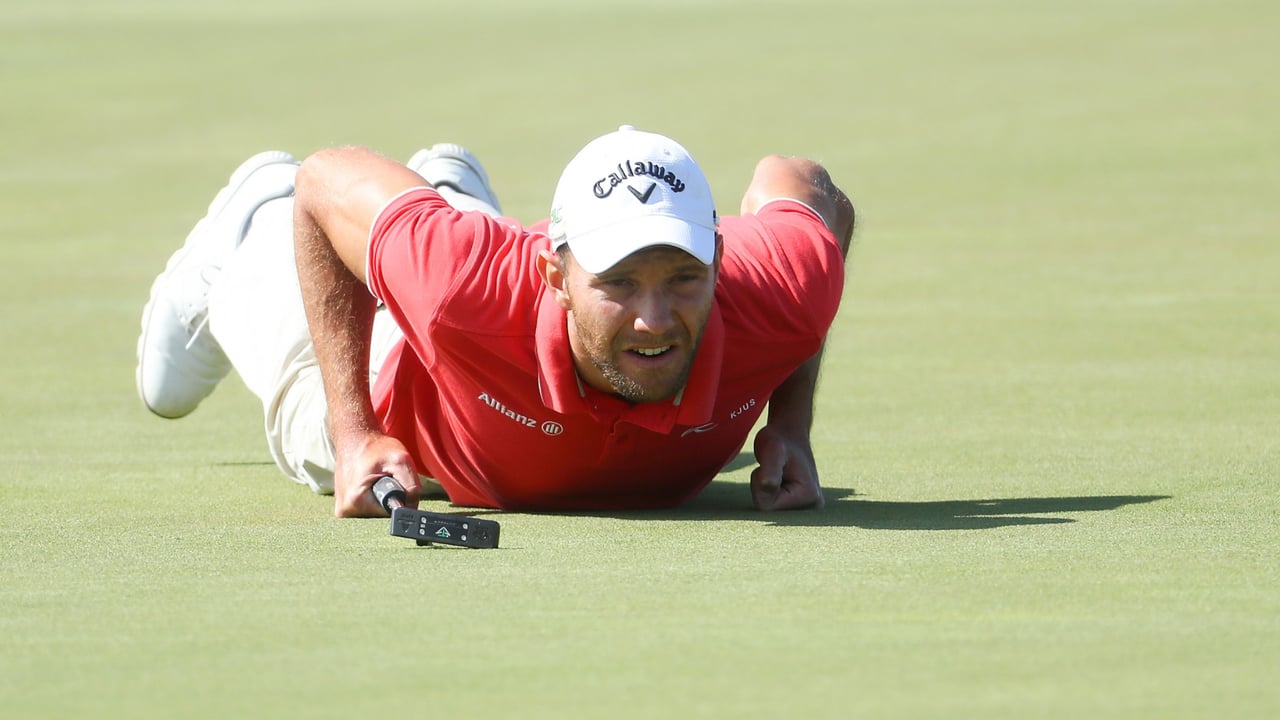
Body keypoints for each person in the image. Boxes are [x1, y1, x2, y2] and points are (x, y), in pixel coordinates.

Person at [135, 125, 854, 517]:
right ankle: (245, 233)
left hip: (464, 266)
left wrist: (789, 425)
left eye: (684, 278)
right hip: (419, 387)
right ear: (557, 276)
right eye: (619, 282)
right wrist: (354, 432)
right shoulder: (462, 290)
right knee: (303, 422)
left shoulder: (783, 289)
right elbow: (323, 180)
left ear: (720, 261)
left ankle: (447, 189)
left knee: (444, 251)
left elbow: (808, 190)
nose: (653, 317)